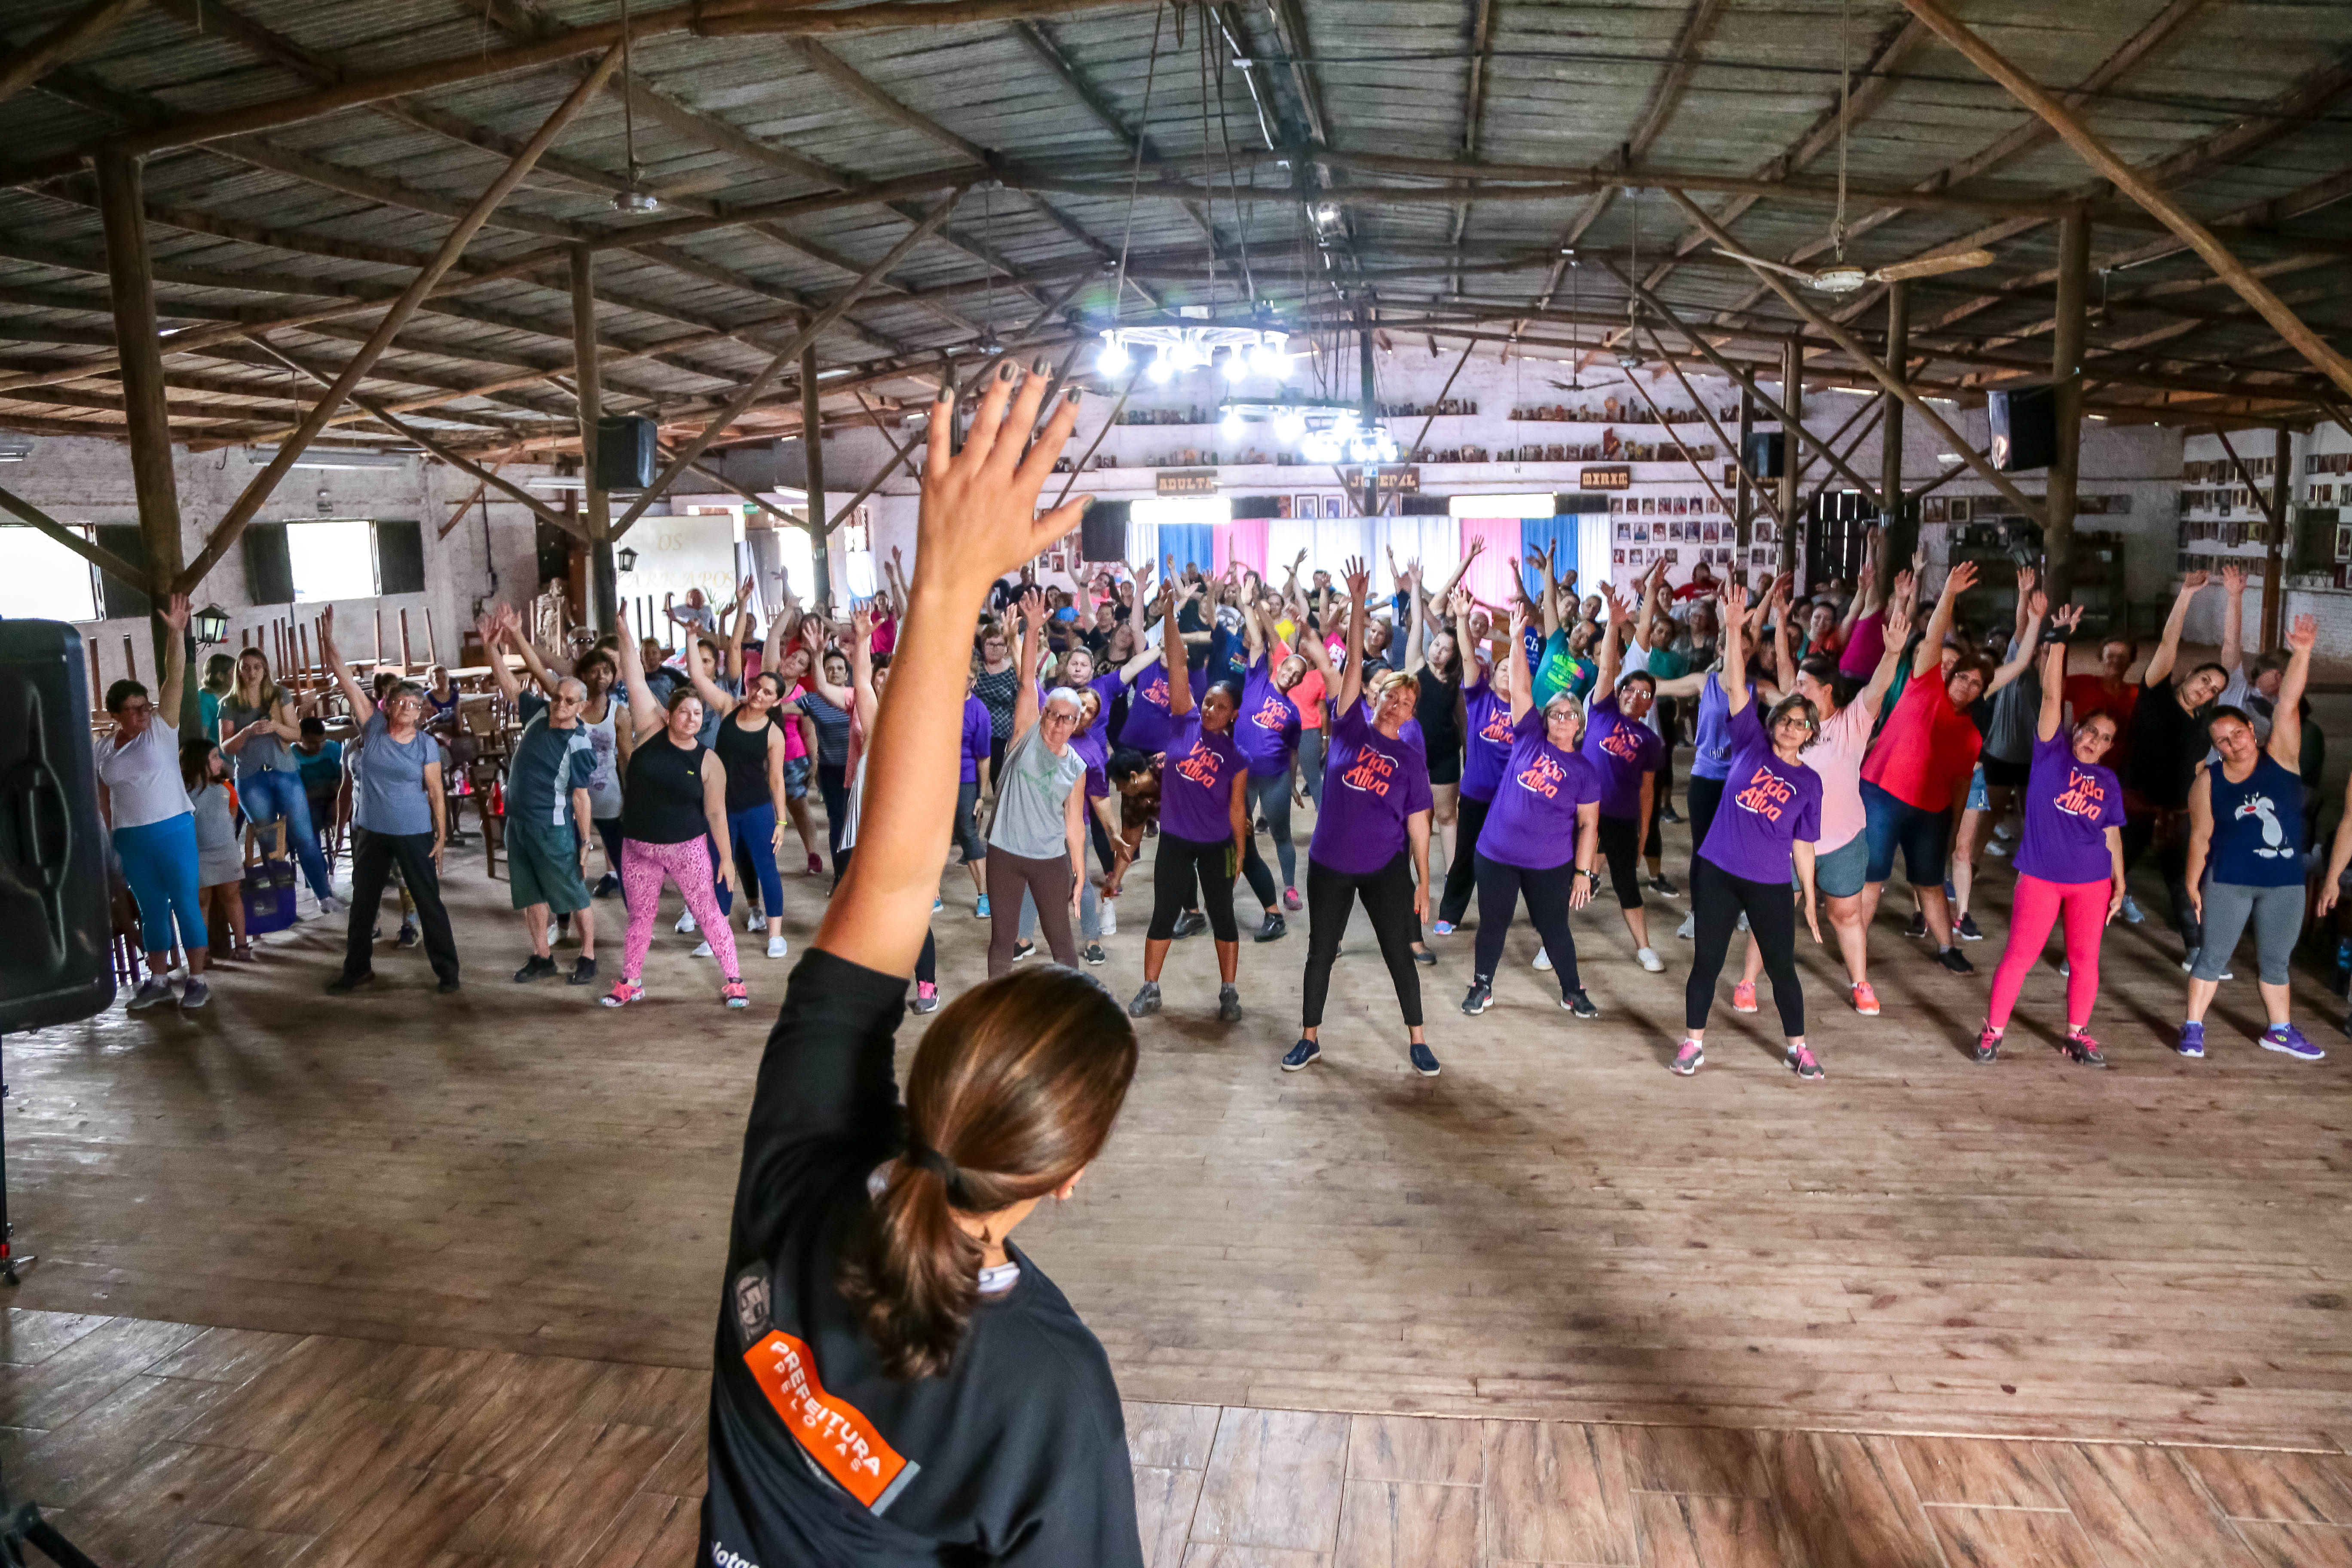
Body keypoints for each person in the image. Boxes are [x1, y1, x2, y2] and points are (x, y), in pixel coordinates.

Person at [704, 367, 1145, 1565]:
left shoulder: (801, 1169)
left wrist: (948, 581)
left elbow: (887, 887)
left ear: (925, 1067)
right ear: (1071, 1176)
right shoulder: (1050, 1393)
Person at [1284, 558, 1438, 1077]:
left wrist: (1423, 880)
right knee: (1320, 952)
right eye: (1392, 694)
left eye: (1407, 701)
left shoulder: (1411, 759)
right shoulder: (1350, 727)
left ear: (1413, 714)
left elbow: (1421, 823)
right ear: (1376, 698)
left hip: (1384, 868)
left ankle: (1418, 1040)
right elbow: (1349, 665)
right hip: (1330, 863)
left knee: (1399, 953)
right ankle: (1310, 1039)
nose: (1398, 703)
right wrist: (1354, 604)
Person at [1735, 579, 1911, 1017]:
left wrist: (1892, 653)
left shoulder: (1853, 722)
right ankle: (1747, 983)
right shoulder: (1793, 719)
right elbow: (1780, 663)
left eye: (1804, 682)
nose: (1795, 687)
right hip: (1784, 840)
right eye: (1795, 682)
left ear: (1827, 690)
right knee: (1771, 914)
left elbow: (1878, 687)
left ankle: (1861, 984)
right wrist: (1779, 620)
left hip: (1842, 841)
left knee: (1846, 916)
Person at [1674, 583, 1825, 1080]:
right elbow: (1736, 687)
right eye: (1787, 719)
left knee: (1782, 968)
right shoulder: (1748, 744)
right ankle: (1693, 1044)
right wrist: (1736, 626)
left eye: (1802, 725)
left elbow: (1804, 843)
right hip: (1718, 872)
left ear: (1809, 735)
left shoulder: (1809, 782)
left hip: (1768, 883)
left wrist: (1809, 896)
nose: (1791, 728)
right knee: (1707, 962)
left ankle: (1798, 1047)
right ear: (1774, 721)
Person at [1974, 606, 2127, 1066]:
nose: (2094, 741)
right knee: (2020, 956)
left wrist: (2120, 881)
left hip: (2092, 881)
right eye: (2089, 732)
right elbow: (2050, 696)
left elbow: (2113, 834)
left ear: (2109, 747)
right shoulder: (2050, 754)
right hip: (2041, 876)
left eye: (2104, 739)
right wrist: (2059, 639)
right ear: (2076, 728)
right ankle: (1993, 1031)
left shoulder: (2109, 783)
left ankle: (2078, 1034)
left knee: (2085, 961)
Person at [2182, 615, 2322, 1062]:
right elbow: (2200, 838)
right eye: (2222, 741)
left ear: (2250, 731)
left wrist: (2301, 653)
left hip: (2284, 881)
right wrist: (2191, 884)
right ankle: (2193, 1028)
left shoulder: (2281, 758)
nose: (2233, 745)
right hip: (2230, 880)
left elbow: (2288, 704)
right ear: (2216, 747)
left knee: (2277, 962)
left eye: (2237, 734)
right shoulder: (2209, 782)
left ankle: (2279, 1031)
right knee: (2212, 957)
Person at [1460, 602, 1601, 1018]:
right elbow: (1521, 689)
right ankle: (1482, 985)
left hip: (1550, 864)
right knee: (1493, 925)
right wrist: (1519, 638)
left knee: (1555, 928)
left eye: (1569, 714)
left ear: (1579, 723)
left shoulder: (1585, 771)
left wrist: (1583, 873)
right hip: (1497, 855)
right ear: (1546, 718)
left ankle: (1572, 990)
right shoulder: (1528, 739)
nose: (1562, 718)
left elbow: (1590, 825)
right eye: (1555, 713)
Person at [604, 606, 747, 1009]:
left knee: (709, 914)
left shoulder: (708, 762)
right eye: (683, 711)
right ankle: (631, 981)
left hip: (687, 849)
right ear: (670, 714)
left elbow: (717, 814)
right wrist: (624, 635)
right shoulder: (650, 728)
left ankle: (735, 980)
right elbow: (633, 675)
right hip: (638, 847)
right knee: (640, 919)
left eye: (697, 713)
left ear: (703, 721)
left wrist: (727, 860)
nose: (690, 718)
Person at [1858, 562, 1992, 975]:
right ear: (1950, 673)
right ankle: (1856, 946)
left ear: (1981, 693)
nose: (1966, 685)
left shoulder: (1971, 735)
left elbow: (1960, 785)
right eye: (1963, 676)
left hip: (1929, 812)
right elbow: (1934, 636)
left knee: (1930, 881)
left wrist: (1952, 832)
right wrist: (1949, 592)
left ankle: (1947, 947)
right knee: (1873, 877)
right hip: (1882, 795)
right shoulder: (1925, 682)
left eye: (1976, 684)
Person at [317, 607, 459, 995]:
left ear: (421, 712)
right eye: (401, 703)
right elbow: (342, 675)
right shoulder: (373, 727)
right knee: (363, 904)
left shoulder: (426, 745)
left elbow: (435, 793)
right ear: (388, 704)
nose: (408, 710)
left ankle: (448, 972)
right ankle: (358, 969)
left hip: (414, 833)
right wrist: (328, 638)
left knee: (428, 902)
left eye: (415, 706)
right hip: (372, 832)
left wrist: (441, 836)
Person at [1127, 575, 1248, 1023]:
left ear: (1234, 714)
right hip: (1176, 840)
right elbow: (1177, 664)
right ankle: (1152, 987)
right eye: (1209, 702)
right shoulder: (1183, 721)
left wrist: (1240, 853)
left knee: (1223, 914)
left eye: (1219, 706)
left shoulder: (1238, 757)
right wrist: (1171, 615)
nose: (1211, 709)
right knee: (1164, 912)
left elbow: (1238, 809)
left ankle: (1229, 992)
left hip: (1216, 843)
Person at [95, 595, 213, 1011]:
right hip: (132, 837)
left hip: (173, 828)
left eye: (146, 706)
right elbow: (104, 794)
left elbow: (175, 679)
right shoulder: (104, 750)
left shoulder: (161, 731)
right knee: (151, 909)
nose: (144, 713)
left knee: (185, 902)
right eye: (134, 709)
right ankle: (159, 980)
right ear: (116, 714)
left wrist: (176, 635)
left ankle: (197, 979)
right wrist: (113, 835)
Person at [2123, 569, 2242, 966]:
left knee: (2181, 880)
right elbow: (2169, 644)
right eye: (2204, 680)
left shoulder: (2203, 723)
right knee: (2110, 873)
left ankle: (2197, 950)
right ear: (2190, 674)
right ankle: (2078, 950)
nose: (2206, 690)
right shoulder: (2156, 695)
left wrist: (2199, 813)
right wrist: (2187, 595)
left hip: (2177, 812)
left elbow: (2195, 771)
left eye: (2213, 690)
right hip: (2136, 803)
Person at [481, 614, 604, 984]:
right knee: (529, 893)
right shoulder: (537, 712)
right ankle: (542, 955)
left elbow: (581, 800)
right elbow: (509, 684)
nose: (560, 705)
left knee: (573, 894)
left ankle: (588, 956)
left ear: (581, 707)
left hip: (552, 829)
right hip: (518, 824)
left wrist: (585, 844)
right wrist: (492, 646)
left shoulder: (580, 743)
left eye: (569, 701)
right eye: (557, 698)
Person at [981, 590, 1090, 977]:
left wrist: (1079, 875)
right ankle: (997, 1012)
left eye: (1068, 719)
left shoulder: (1077, 767)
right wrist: (1031, 629)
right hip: (1005, 852)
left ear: (1077, 724)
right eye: (1053, 716)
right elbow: (1027, 679)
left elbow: (1074, 826)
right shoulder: (1025, 732)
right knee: (1003, 940)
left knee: (1061, 941)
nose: (1059, 725)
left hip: (1049, 859)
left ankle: (1072, 1012)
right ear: (1042, 714)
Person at [1950, 568, 2050, 942]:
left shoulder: (2048, 683)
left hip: (2034, 765)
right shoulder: (2008, 677)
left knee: (2034, 829)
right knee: (1982, 828)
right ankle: (1962, 882)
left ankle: (2033, 898)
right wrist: (2024, 597)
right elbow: (2022, 642)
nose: (2039, 651)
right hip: (1998, 759)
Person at [688, 653, 796, 963]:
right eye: (757, 687)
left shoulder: (774, 734)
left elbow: (776, 780)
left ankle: (776, 935)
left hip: (756, 808)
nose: (758, 694)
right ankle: (716, 934)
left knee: (767, 869)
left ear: (775, 702)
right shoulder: (728, 708)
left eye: (767, 693)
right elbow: (698, 676)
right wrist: (692, 636)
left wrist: (781, 821)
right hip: (721, 808)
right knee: (720, 869)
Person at [1580, 590, 1667, 973]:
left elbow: (1648, 791)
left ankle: (1644, 947)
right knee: (1573, 878)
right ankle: (1551, 944)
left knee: (1627, 885)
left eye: (1645, 694)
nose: (1636, 697)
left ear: (1650, 705)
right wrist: (1614, 625)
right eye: (1630, 690)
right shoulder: (1600, 712)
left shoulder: (1650, 741)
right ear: (1619, 693)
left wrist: (1644, 833)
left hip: (1620, 819)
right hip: (1584, 814)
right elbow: (1606, 670)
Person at [219, 641, 340, 914]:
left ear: (265, 670)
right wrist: (247, 731)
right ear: (239, 672)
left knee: (304, 834)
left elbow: (296, 735)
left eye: (256, 668)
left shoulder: (278, 695)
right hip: (251, 779)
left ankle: (324, 895)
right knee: (270, 842)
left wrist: (275, 726)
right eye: (246, 668)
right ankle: (284, 904)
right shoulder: (229, 704)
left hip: (285, 773)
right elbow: (226, 747)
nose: (251, 673)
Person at [1432, 594, 1516, 935]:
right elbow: (1468, 657)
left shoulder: (1525, 709)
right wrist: (1463, 619)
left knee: (1508, 858)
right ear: (1492, 676)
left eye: (1514, 669)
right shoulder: (1479, 697)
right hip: (1478, 792)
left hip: (1511, 797)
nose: (1508, 673)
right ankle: (1450, 914)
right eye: (1503, 669)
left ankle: (1501, 914)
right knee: (1466, 854)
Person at [1234, 594, 1306, 934]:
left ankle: (1290, 887)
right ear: (1280, 667)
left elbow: (1293, 752)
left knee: (1281, 834)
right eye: (1289, 669)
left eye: (1297, 676)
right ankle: (1228, 882)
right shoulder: (1257, 679)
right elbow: (1257, 640)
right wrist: (1248, 605)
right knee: (1235, 833)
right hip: (1241, 778)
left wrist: (1292, 783)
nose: (1291, 676)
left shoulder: (1293, 714)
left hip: (1275, 778)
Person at [183, 734, 253, 964]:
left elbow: (232, 815)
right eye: (214, 757)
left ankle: (242, 945)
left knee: (232, 896)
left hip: (226, 852)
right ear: (198, 762)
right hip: (198, 854)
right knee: (202, 901)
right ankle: (202, 953)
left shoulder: (226, 788)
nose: (220, 762)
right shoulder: (184, 793)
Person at [957, 667, 993, 915]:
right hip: (936, 778)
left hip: (965, 779)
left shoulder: (979, 711)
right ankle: (932, 895)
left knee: (968, 832)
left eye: (967, 678)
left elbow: (984, 758)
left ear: (975, 681)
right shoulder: (939, 703)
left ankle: (985, 895)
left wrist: (980, 795)